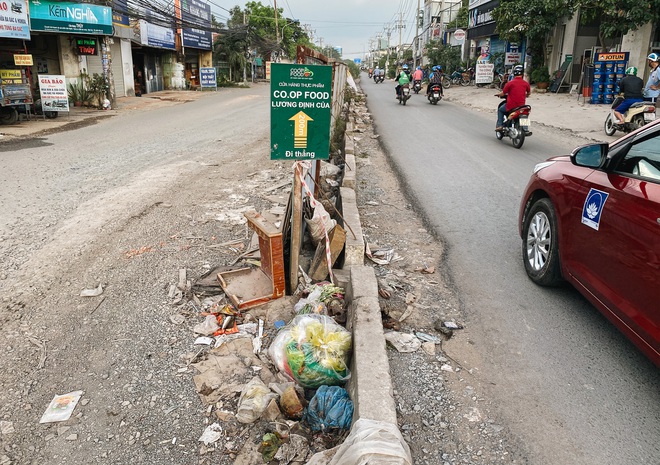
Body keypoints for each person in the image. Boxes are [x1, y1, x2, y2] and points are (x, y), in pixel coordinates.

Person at [495, 64, 530, 131]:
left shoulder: (510, 83)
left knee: (500, 110)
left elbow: (503, 93)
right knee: (524, 114)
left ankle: (500, 125)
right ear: (522, 74)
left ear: (514, 73)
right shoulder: (526, 84)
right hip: (521, 106)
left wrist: (498, 94)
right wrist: (525, 95)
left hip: (511, 106)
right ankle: (526, 129)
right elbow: (528, 93)